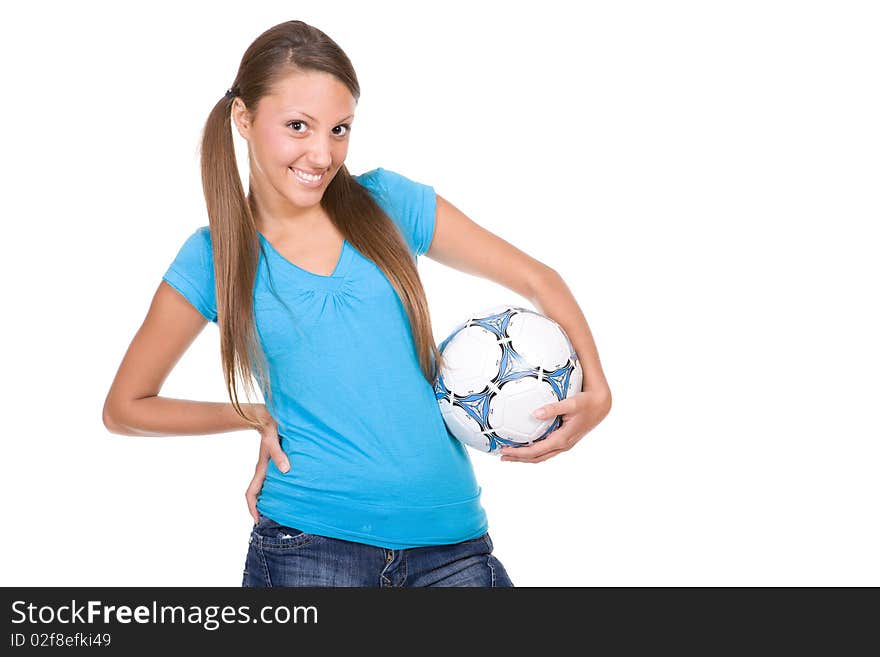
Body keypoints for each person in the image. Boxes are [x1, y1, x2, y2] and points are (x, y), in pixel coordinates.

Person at [102, 20, 612, 587]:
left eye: (339, 129)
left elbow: (540, 279)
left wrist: (599, 390)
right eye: (298, 126)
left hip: (452, 543)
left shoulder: (389, 203)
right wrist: (247, 415)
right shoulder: (215, 256)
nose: (322, 154)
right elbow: (126, 406)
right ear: (243, 119)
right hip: (307, 549)